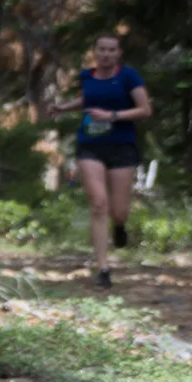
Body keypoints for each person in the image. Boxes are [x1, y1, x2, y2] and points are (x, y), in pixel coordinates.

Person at [53, 34, 151, 289]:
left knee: (118, 211)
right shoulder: (87, 76)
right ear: (95, 51)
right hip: (90, 146)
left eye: (111, 50)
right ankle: (103, 268)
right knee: (98, 204)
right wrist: (64, 107)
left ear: (118, 53)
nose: (106, 54)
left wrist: (112, 115)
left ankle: (119, 226)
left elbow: (145, 109)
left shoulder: (128, 76)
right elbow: (88, 100)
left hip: (122, 147)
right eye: (102, 49)